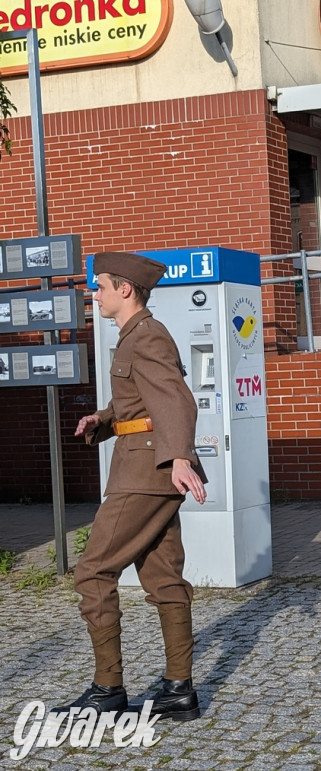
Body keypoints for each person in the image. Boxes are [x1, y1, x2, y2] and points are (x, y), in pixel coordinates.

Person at [56, 251, 208, 720]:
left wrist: (180, 457)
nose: (93, 294)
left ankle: (108, 690)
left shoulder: (147, 336)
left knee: (92, 571)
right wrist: (102, 419)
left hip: (146, 474)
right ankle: (179, 689)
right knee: (164, 577)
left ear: (125, 289)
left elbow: (177, 401)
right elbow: (141, 401)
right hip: (148, 466)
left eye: (99, 286)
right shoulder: (136, 336)